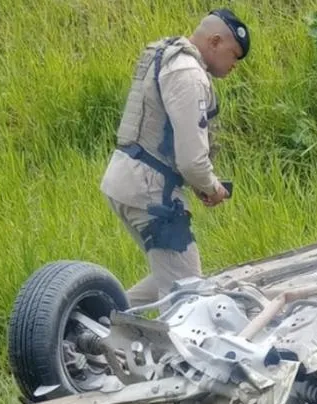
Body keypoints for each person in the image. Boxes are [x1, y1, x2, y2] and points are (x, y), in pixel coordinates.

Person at [100, 8, 250, 307]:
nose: (234, 65)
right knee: (187, 295)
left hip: (127, 178)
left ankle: (101, 317)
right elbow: (192, 161)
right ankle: (115, 335)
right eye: (234, 55)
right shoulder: (189, 74)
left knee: (170, 272)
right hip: (153, 193)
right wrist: (211, 188)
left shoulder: (167, 56)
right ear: (216, 41)